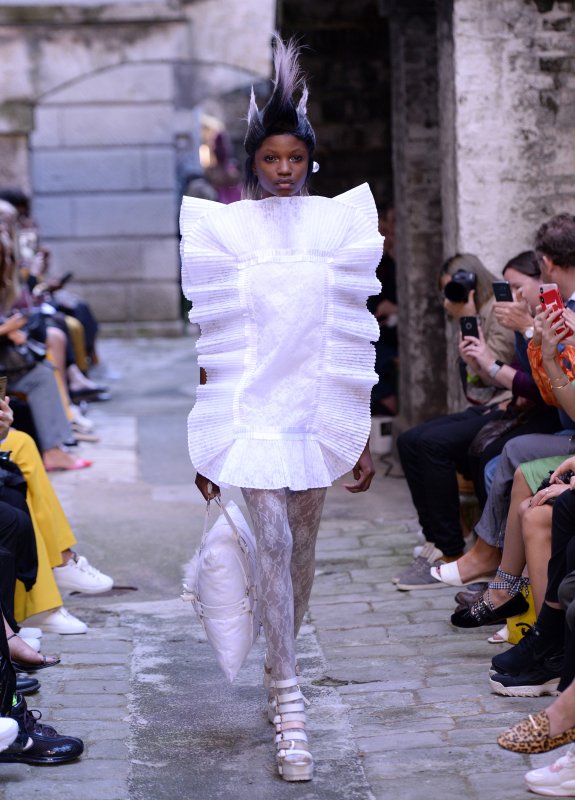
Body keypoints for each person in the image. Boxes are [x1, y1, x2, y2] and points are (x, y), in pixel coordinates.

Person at [180, 36, 381, 783]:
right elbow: (217, 334)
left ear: (310, 160)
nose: (284, 169)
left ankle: (279, 667)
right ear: (252, 163)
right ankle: (290, 705)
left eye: (295, 157)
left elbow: (349, 332)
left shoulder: (336, 228)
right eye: (271, 158)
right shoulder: (227, 232)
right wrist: (208, 438)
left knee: (299, 556)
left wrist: (358, 433)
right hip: (252, 411)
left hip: (315, 411)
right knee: (268, 545)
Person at [393, 253, 515, 590]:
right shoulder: (475, 314)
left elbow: (492, 375)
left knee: (432, 444)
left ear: (474, 283)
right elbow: (475, 387)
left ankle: (450, 551)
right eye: (447, 292)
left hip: (506, 406)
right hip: (488, 405)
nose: (449, 300)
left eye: (454, 290)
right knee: (408, 440)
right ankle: (437, 539)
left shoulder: (497, 312)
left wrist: (470, 321)